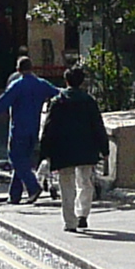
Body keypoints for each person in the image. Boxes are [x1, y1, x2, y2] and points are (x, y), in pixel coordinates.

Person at [0, 53, 61, 204]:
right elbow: (58, 94)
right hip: (34, 129)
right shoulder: (41, 84)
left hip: (19, 129)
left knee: (16, 158)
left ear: (18, 69)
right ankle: (14, 195)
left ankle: (33, 187)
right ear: (31, 67)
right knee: (23, 161)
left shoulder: (17, 85)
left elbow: (1, 103)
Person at [40, 64, 111, 232]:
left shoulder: (57, 101)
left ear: (66, 81)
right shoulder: (89, 101)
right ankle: (83, 214)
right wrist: (105, 149)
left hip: (63, 149)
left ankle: (70, 222)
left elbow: (48, 129)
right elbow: (98, 126)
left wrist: (45, 153)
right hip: (86, 148)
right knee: (85, 182)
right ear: (82, 82)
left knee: (66, 186)